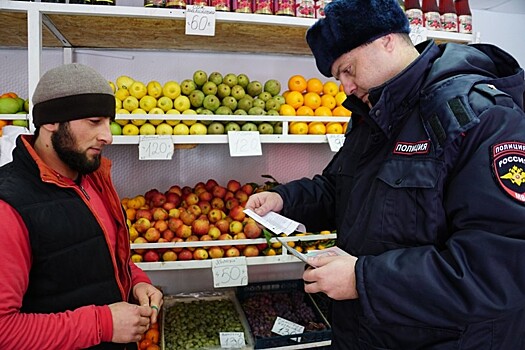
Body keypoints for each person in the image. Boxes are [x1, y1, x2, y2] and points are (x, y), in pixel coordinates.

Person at [246, 0, 525, 348]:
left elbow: (498, 267)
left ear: (387, 40)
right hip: (366, 333)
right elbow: (343, 189)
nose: (345, 87)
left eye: (348, 69)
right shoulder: (373, 112)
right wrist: (285, 199)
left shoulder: (479, 117)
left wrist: (363, 280)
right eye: (338, 78)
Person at [0, 63, 163, 349]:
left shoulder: (93, 179)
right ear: (51, 122)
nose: (108, 136)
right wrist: (103, 324)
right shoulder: (8, 206)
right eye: (94, 121)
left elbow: (98, 255)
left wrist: (135, 280)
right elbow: (4, 330)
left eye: (108, 122)